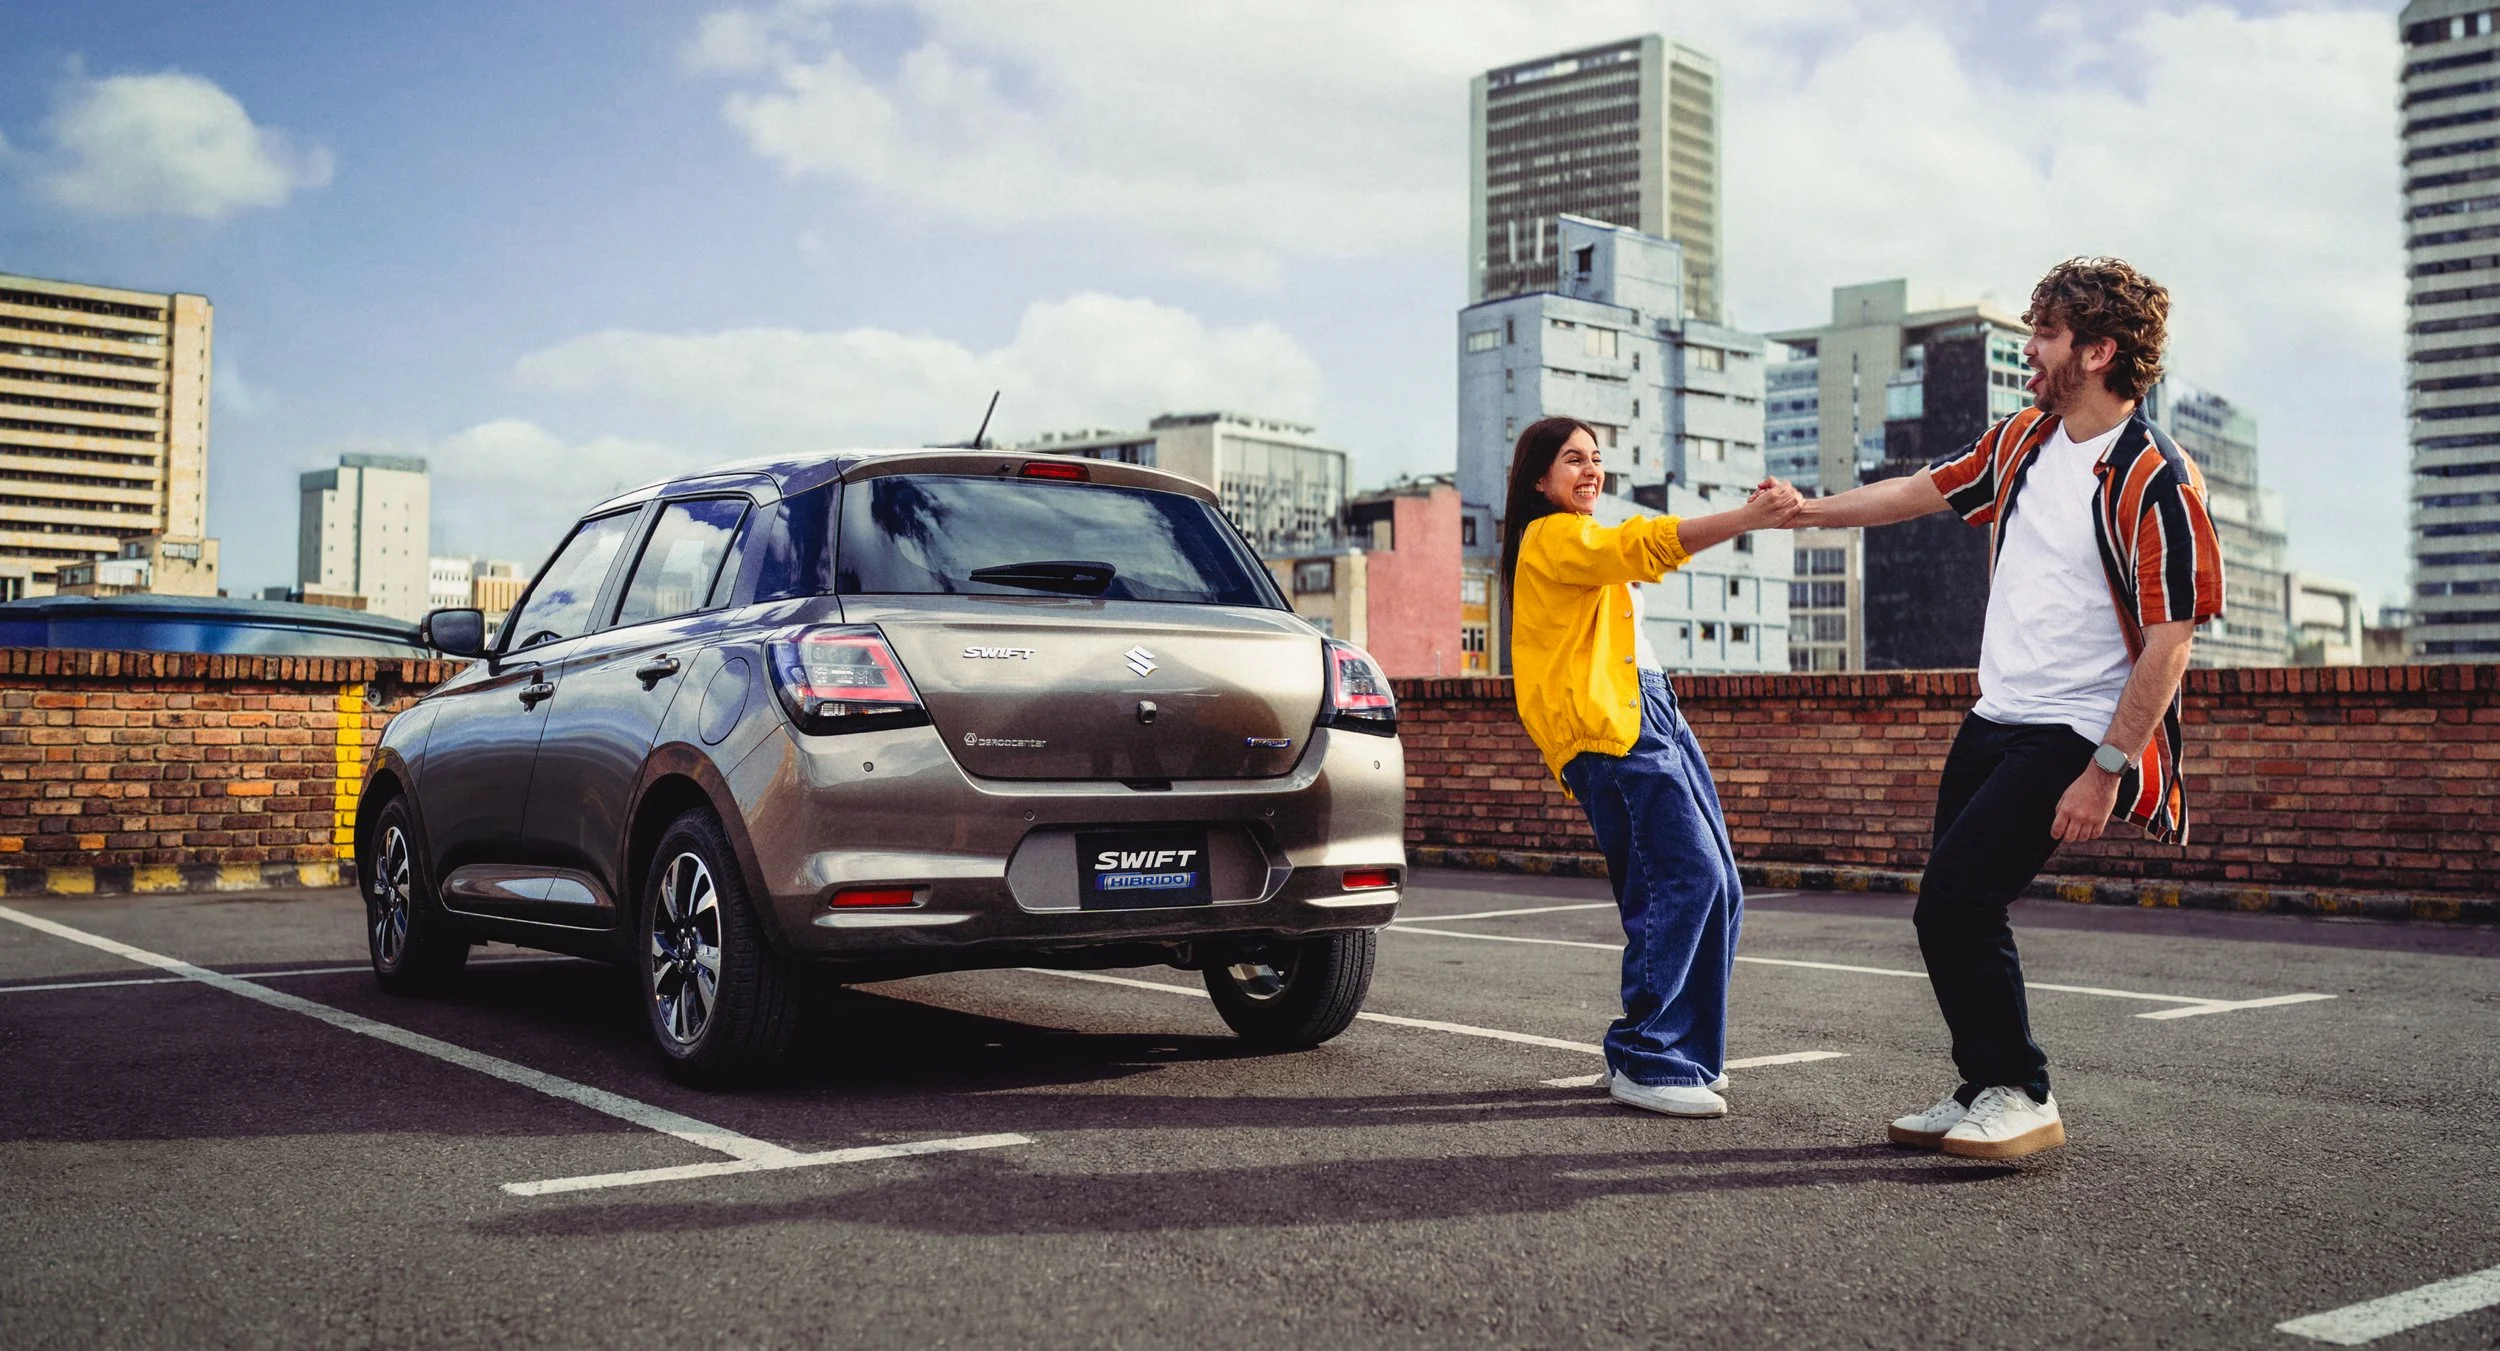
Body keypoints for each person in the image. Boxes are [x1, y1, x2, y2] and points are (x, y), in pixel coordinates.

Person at [1783, 257, 2223, 1159]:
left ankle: (2021, 1091)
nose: (2031, 350)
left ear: (2098, 352)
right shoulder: (2024, 440)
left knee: (1959, 898)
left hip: (2072, 728)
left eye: (2047, 335)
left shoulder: (2156, 478)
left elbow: (2171, 641)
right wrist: (1805, 512)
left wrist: (2107, 768)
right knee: (1946, 909)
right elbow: (1917, 491)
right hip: (1996, 716)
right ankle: (1987, 1082)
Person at [1501, 416, 1800, 1118]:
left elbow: (1628, 565)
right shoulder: (1551, 536)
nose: (1591, 470)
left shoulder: (1579, 541)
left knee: (1719, 884)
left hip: (1653, 711)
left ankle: (1682, 1052)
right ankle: (1648, 1057)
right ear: (1539, 479)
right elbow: (1643, 546)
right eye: (1573, 459)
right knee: (1682, 879)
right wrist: (1747, 519)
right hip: (1613, 730)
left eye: (1596, 458)